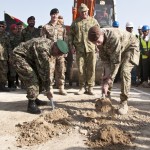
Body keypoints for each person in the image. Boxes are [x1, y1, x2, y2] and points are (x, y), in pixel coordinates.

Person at [88, 26, 140, 115]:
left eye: (97, 41)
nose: (97, 44)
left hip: (131, 47)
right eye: (94, 43)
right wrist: (105, 80)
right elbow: (106, 62)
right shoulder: (99, 42)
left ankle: (124, 102)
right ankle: (106, 97)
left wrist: (109, 80)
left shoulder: (113, 37)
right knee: (106, 75)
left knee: (124, 71)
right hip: (120, 49)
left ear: (102, 34)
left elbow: (116, 62)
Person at [11, 38, 68, 114]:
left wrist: (48, 87)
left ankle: (35, 99)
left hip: (29, 59)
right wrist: (48, 89)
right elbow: (44, 71)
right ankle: (31, 105)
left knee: (40, 78)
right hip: (18, 57)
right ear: (55, 46)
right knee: (32, 78)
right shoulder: (43, 49)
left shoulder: (50, 47)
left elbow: (46, 71)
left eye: (60, 55)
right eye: (58, 53)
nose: (57, 56)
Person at [68, 3, 99, 95]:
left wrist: (98, 45)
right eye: (82, 12)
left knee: (91, 68)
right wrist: (71, 46)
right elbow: (71, 36)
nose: (84, 13)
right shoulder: (75, 23)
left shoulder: (93, 21)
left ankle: (90, 87)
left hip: (91, 48)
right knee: (81, 69)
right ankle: (82, 87)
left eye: (85, 11)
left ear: (88, 11)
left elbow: (98, 34)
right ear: (79, 12)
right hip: (79, 49)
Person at [41, 8, 68, 95]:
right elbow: (43, 41)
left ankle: (61, 87)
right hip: (50, 53)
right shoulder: (45, 27)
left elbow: (65, 40)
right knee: (50, 71)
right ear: (50, 15)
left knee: (61, 70)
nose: (54, 16)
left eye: (56, 14)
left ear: (58, 15)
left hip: (60, 53)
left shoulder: (62, 27)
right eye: (53, 14)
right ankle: (50, 88)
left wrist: (65, 51)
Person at [8, 24, 22, 89]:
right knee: (12, 70)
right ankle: (12, 84)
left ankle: (19, 82)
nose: (16, 30)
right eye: (14, 29)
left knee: (20, 69)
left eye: (16, 29)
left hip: (19, 55)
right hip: (12, 55)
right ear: (11, 30)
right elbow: (8, 45)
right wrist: (11, 54)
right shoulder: (9, 36)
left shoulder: (20, 36)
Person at [0, 21, 11, 92]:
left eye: (2, 26)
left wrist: (10, 56)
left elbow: (9, 46)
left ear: (5, 27)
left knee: (4, 72)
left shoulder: (7, 35)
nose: (1, 28)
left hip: (3, 56)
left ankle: (2, 86)